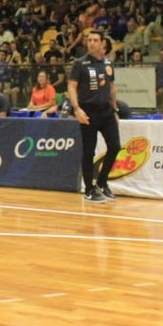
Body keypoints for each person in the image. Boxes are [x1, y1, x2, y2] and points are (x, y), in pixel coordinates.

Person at [66, 29, 120, 203]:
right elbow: (72, 87)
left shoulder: (108, 63)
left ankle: (102, 182)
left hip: (106, 111)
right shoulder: (79, 64)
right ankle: (89, 189)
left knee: (115, 146)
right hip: (88, 112)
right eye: (89, 40)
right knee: (89, 151)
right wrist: (77, 109)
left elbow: (111, 87)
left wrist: (115, 109)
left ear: (102, 43)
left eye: (95, 40)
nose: (91, 43)